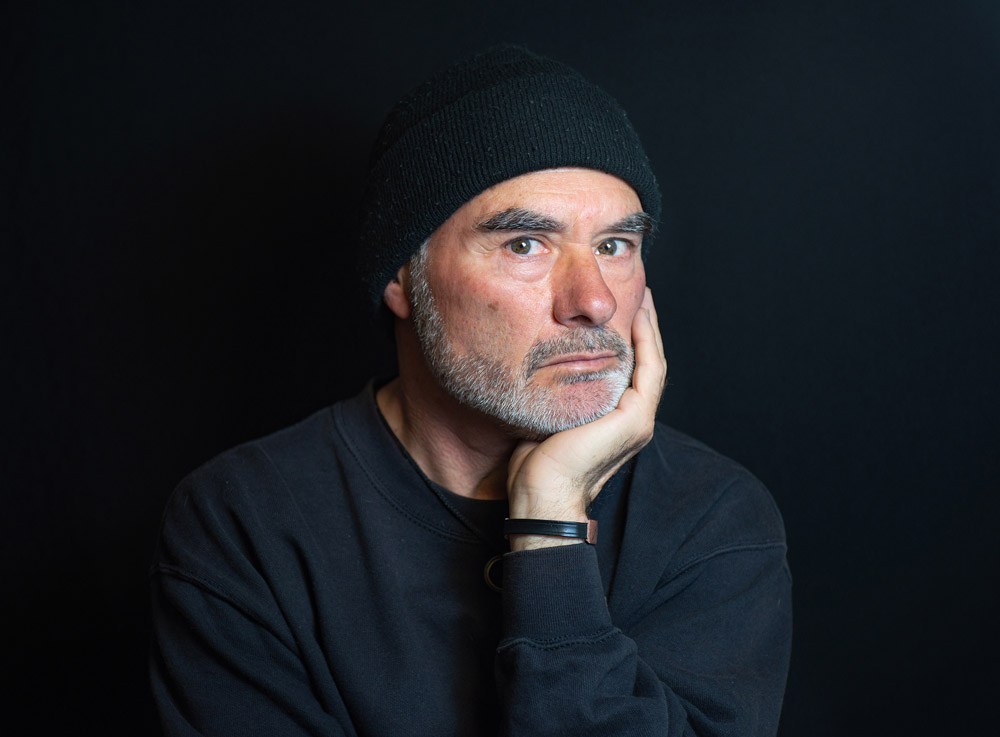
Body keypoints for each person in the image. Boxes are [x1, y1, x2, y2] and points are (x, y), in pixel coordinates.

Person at [150, 45, 792, 736]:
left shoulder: (712, 517)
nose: (595, 302)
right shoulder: (247, 521)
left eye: (614, 246)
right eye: (525, 244)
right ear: (401, 276)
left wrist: (549, 524)